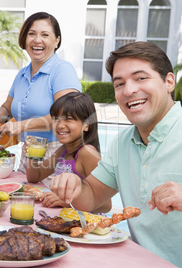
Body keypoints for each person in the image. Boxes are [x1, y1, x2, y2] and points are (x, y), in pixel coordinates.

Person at [49, 42, 182, 266]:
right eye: (119, 83)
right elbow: (92, 197)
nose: (129, 90)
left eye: (141, 78)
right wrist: (75, 185)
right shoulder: (122, 143)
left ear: (169, 82)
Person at [0, 12, 81, 172]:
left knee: (49, 198)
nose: (37, 40)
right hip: (28, 153)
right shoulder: (22, 74)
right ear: (24, 39)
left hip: (58, 154)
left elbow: (66, 115)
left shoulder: (62, 70)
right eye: (32, 34)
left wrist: (20, 126)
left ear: (56, 40)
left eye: (45, 34)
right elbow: (7, 109)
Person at [25, 92, 110, 211]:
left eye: (69, 119)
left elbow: (106, 205)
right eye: (56, 119)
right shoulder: (64, 150)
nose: (59, 125)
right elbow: (35, 177)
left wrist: (67, 202)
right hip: (66, 219)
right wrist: (32, 155)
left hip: (87, 224)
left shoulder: (87, 153)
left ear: (86, 125)